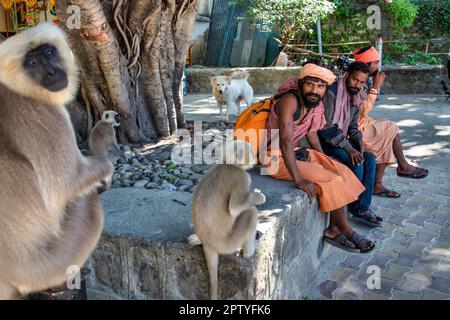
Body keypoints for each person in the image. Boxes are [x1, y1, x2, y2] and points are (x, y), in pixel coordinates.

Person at [265, 62, 375, 253]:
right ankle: (348, 231)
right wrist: (298, 180)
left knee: (341, 170)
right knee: (330, 179)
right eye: (310, 84)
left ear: (326, 88)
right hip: (273, 157)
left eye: (321, 86)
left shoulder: (314, 104)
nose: (315, 90)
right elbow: (284, 141)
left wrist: (326, 160)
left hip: (297, 152)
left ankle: (333, 229)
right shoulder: (290, 101)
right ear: (301, 84)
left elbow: (312, 133)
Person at [353, 46, 428, 198]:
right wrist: (375, 87)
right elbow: (363, 110)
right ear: (368, 65)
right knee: (390, 127)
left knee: (387, 131)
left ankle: (382, 181)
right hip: (353, 128)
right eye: (375, 62)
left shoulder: (363, 77)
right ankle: (400, 168)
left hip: (361, 122)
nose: (378, 66)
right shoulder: (355, 80)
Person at [319, 61, 382, 228]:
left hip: (341, 138)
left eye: (362, 82)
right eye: (355, 80)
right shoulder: (332, 93)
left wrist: (360, 142)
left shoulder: (356, 95)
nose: (358, 85)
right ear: (347, 75)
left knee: (369, 157)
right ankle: (353, 206)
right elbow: (326, 128)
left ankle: (361, 207)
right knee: (356, 161)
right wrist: (349, 148)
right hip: (325, 140)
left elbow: (353, 127)